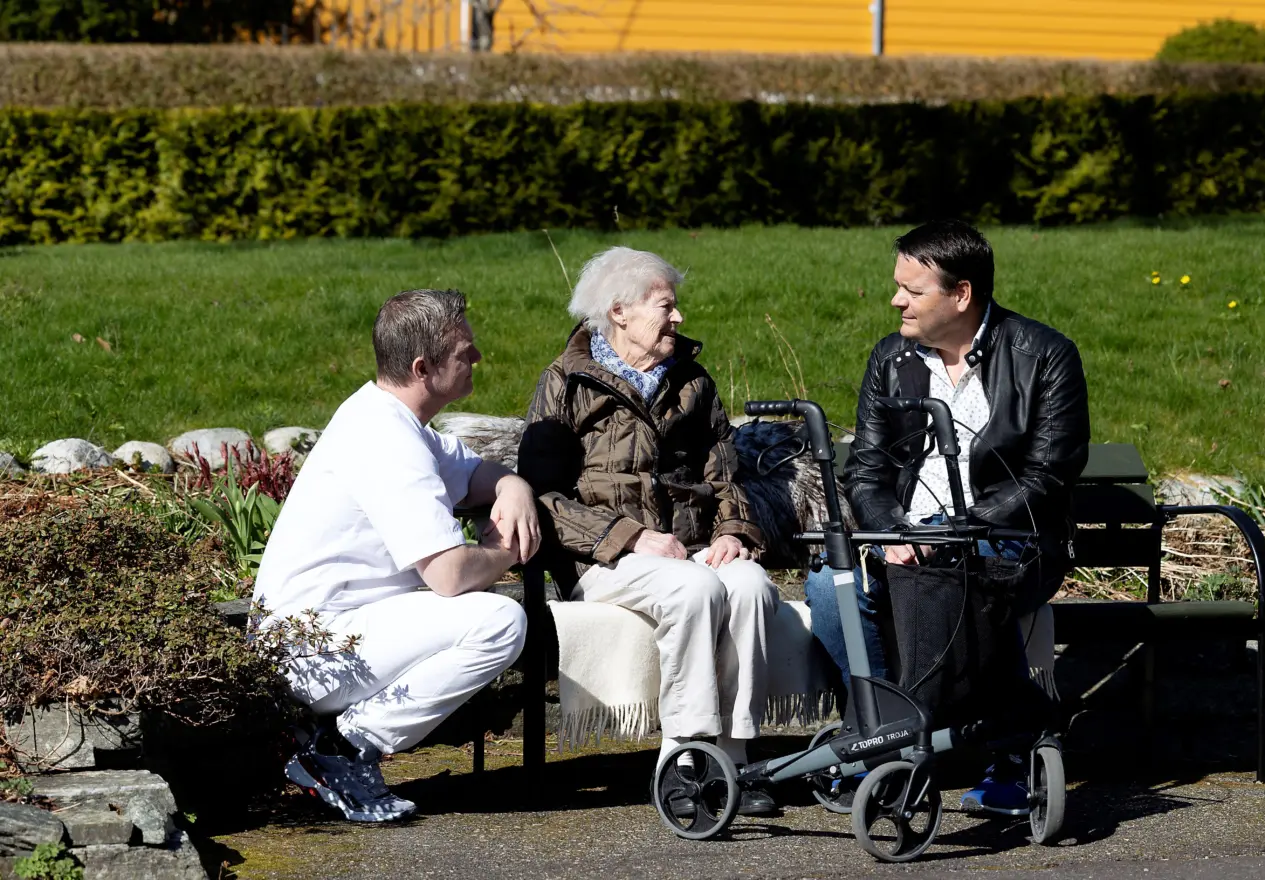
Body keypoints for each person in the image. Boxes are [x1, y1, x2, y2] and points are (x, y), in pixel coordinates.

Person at [804, 219, 1089, 812]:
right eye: (897, 286)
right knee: (829, 591)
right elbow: (868, 472)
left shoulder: (1044, 355)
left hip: (1009, 541)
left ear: (960, 295)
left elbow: (1046, 477)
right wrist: (890, 535)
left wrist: (953, 533)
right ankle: (883, 749)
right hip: (905, 541)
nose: (896, 301)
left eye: (912, 290)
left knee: (947, 580)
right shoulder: (890, 358)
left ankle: (1009, 748)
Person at [253, 288, 539, 823]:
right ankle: (340, 749)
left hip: (341, 632)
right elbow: (451, 577)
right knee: (498, 620)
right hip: (312, 650)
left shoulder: (393, 419)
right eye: (464, 352)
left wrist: (513, 487)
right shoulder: (386, 441)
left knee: (491, 616)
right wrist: (503, 551)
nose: (477, 358)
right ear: (423, 367)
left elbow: (475, 473)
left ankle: (336, 745)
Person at [518, 246, 780, 814]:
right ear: (619, 311)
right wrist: (631, 538)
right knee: (694, 589)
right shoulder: (567, 382)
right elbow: (542, 495)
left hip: (684, 551)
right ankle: (684, 765)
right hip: (603, 560)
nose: (679, 318)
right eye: (667, 306)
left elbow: (725, 475)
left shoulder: (693, 382)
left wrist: (732, 532)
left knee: (752, 587)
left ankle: (737, 760)